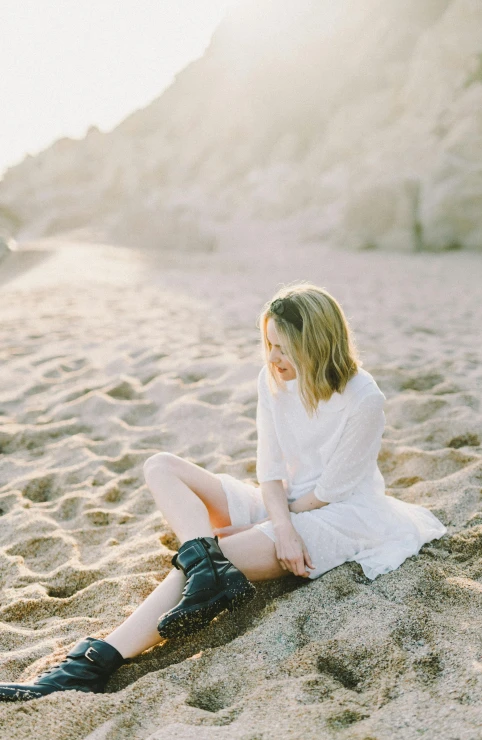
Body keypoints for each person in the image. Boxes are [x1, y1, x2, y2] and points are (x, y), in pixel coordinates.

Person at [0, 282, 447, 702]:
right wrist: (270, 520)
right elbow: (270, 471)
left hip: (342, 515)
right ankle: (205, 564)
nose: (272, 357)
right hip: (284, 502)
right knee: (163, 470)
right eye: (268, 344)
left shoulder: (364, 397)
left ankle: (89, 667)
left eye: (282, 347)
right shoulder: (271, 379)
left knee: (194, 570)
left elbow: (331, 492)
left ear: (316, 343)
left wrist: (274, 527)